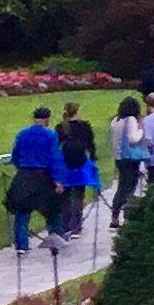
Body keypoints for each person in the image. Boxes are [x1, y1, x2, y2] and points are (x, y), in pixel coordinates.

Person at [2, 107, 62, 256]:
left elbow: (15, 156)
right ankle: (55, 241)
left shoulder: (22, 134)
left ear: (34, 119)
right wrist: (58, 180)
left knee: (22, 211)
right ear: (47, 119)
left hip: (25, 175)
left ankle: (21, 245)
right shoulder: (51, 135)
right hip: (44, 176)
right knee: (52, 211)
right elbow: (54, 158)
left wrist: (21, 169)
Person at [53, 104, 102, 243]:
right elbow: (90, 144)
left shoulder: (60, 127)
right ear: (77, 111)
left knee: (65, 197)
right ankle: (76, 226)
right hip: (81, 163)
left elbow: (56, 146)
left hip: (65, 164)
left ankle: (65, 225)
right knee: (78, 195)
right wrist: (93, 158)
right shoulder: (84, 126)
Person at [111, 94, 152, 220]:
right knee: (130, 187)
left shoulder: (116, 120)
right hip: (130, 158)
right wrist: (141, 130)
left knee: (121, 186)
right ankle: (127, 213)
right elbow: (133, 138)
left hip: (119, 157)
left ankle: (115, 213)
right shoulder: (131, 120)